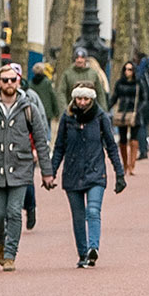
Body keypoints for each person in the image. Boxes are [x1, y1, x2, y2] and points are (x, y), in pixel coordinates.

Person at [0, 63, 55, 270]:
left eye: (12, 80)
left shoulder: (29, 108)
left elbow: (41, 142)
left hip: (21, 167)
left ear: (18, 81)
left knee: (15, 212)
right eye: (5, 80)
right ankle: (1, 241)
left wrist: (47, 172)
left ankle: (10, 255)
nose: (9, 83)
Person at [51, 83, 127, 265]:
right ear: (74, 99)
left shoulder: (101, 118)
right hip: (72, 173)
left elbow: (111, 147)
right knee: (78, 217)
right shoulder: (67, 118)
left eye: (86, 99)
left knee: (93, 211)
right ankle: (83, 254)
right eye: (79, 98)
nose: (82, 102)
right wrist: (50, 172)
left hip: (95, 172)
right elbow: (59, 147)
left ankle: (94, 247)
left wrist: (119, 173)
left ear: (92, 99)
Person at [111, 59, 147, 175]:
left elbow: (144, 98)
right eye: (126, 69)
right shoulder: (119, 83)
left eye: (130, 69)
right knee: (122, 139)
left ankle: (132, 165)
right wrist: (107, 107)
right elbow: (114, 97)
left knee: (134, 138)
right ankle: (125, 164)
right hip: (122, 113)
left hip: (135, 112)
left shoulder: (139, 83)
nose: (128, 72)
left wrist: (138, 110)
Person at [30, 62, 64, 127]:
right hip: (47, 112)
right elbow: (53, 97)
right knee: (47, 129)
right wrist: (56, 112)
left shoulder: (30, 84)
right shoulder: (47, 82)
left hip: (34, 111)